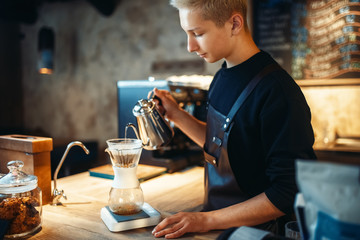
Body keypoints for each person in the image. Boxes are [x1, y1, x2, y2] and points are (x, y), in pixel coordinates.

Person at [151, 0, 316, 239]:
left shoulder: (277, 91)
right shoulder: (221, 77)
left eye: (198, 33)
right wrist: (176, 114)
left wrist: (206, 220)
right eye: (187, 33)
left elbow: (287, 192)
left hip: (260, 232)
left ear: (235, 24)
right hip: (219, 223)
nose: (189, 46)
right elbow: (220, 145)